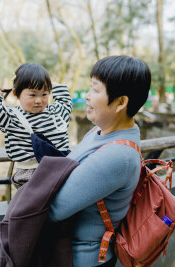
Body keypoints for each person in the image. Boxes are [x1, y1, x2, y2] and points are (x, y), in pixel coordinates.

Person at [48, 55, 151, 267]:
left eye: (95, 89)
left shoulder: (118, 155)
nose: (87, 96)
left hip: (83, 259)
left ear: (121, 103)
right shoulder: (101, 131)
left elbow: (54, 208)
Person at [0, 63, 72, 188]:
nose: (39, 100)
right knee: (37, 205)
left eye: (44, 94)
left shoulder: (56, 112)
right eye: (32, 95)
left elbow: (65, 103)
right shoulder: (13, 117)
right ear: (16, 94)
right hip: (30, 175)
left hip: (61, 171)